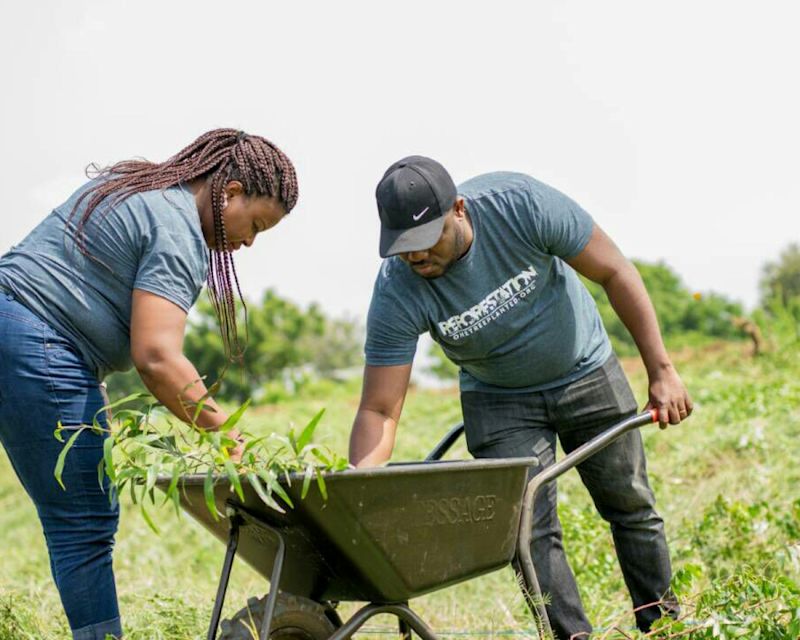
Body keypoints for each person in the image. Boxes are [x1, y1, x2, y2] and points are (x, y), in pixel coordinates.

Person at [348, 156, 693, 638]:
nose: (415, 257)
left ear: (460, 210)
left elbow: (614, 271)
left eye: (425, 242)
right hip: (498, 399)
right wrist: (358, 488)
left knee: (630, 503)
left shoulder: (521, 206)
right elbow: (380, 408)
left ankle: (665, 627)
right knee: (526, 532)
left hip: (584, 368)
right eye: (402, 248)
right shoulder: (397, 290)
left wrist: (662, 370)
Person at [0, 129, 298, 640]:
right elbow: (157, 358)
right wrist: (230, 437)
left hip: (15, 325)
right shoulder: (179, 232)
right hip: (36, 342)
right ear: (228, 194)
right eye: (256, 225)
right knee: (84, 522)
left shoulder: (140, 187)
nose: (249, 242)